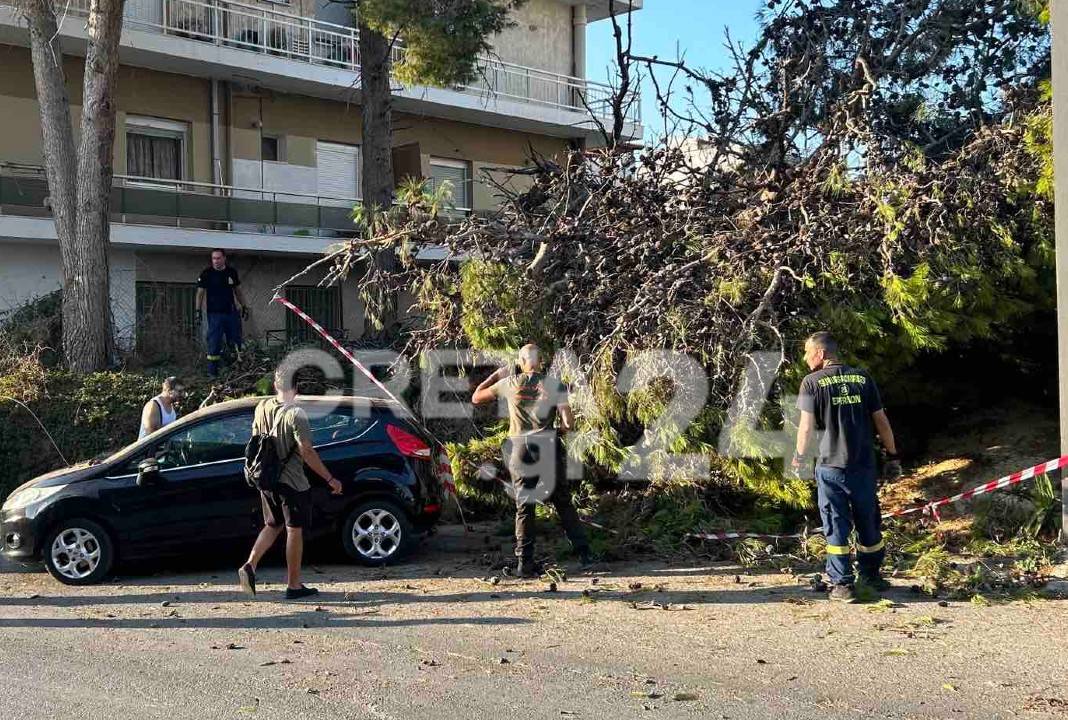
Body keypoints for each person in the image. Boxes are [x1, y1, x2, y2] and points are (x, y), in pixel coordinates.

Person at [793, 331, 902, 603]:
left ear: (820, 353)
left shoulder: (811, 383)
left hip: (830, 467)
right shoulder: (863, 378)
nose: (806, 359)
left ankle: (842, 584)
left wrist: (799, 456)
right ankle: (872, 577)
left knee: (836, 523)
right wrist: (893, 455)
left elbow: (806, 427)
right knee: (868, 519)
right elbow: (882, 422)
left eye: (808, 353)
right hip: (864, 466)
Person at [471, 344, 592, 578]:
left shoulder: (509, 383)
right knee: (563, 502)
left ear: (521, 361)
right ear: (541, 361)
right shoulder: (554, 385)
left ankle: (524, 564)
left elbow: (476, 397)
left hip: (518, 449)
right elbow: (568, 423)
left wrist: (498, 374)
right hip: (547, 445)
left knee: (524, 506)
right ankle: (585, 555)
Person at [238, 369, 343, 600]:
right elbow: (306, 451)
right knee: (294, 530)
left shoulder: (262, 407)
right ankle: (294, 585)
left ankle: (250, 564)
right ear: (296, 388)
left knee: (272, 524)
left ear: (275, 386)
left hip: (266, 479)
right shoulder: (297, 414)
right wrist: (330, 479)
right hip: (292, 482)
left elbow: (255, 441)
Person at [196, 248, 248, 376]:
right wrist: (197, 311)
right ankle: (212, 374)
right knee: (214, 343)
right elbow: (200, 294)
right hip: (214, 315)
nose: (216, 261)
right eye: (213, 258)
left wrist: (244, 306)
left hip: (231, 313)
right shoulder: (206, 274)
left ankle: (236, 371)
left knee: (235, 342)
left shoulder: (231, 272)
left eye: (218, 258)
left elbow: (238, 291)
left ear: (224, 258)